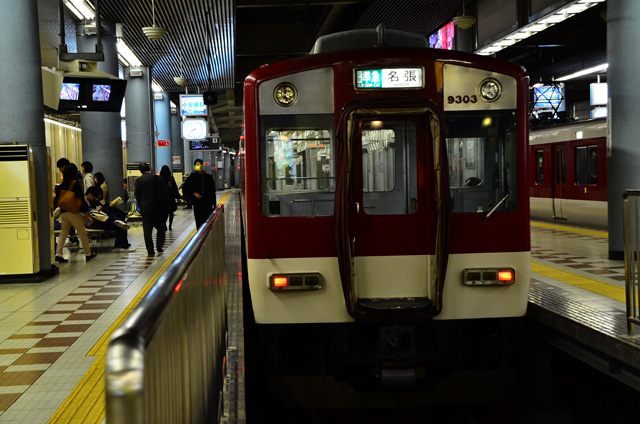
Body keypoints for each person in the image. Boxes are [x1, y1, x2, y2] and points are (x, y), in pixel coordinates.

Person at [53, 163, 97, 262]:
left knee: (63, 233)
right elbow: (81, 199)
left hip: (63, 212)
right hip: (73, 212)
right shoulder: (75, 183)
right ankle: (88, 253)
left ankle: (58, 253)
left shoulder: (61, 185)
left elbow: (57, 200)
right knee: (82, 232)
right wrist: (86, 212)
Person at [84, 186, 135, 252]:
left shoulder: (91, 201)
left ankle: (121, 244)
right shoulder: (84, 202)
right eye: (95, 197)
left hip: (98, 220)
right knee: (119, 225)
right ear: (90, 194)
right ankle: (122, 245)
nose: (95, 199)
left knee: (120, 223)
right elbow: (84, 215)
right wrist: (89, 219)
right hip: (93, 223)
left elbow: (97, 209)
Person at [134, 162, 169, 255]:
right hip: (159, 208)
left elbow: (137, 194)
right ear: (149, 168)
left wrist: (141, 205)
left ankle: (150, 249)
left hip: (146, 208)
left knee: (147, 230)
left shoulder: (139, 180)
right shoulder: (159, 178)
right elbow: (164, 193)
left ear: (140, 171)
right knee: (161, 227)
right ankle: (159, 246)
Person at [182, 158, 216, 229]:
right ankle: (200, 236)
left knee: (208, 221)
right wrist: (194, 193)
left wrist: (214, 203)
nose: (200, 166)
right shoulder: (192, 176)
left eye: (201, 164)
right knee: (199, 221)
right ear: (195, 166)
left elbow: (213, 191)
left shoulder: (209, 177)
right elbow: (185, 188)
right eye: (197, 165)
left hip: (207, 203)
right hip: (197, 204)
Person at [160, 165, 180, 230]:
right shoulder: (171, 178)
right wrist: (178, 196)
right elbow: (175, 188)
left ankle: (164, 225)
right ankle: (170, 225)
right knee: (171, 213)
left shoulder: (160, 178)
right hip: (171, 198)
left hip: (162, 198)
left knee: (163, 213)